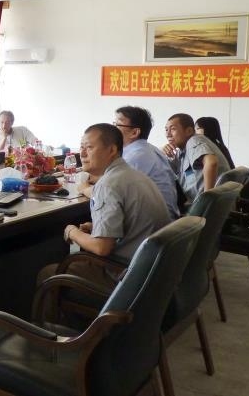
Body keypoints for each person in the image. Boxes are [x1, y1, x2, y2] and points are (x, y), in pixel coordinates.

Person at [39, 123, 171, 293]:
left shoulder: (107, 185)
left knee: (48, 274)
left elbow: (101, 248)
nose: (82, 153)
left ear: (112, 150)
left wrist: (72, 232)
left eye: (89, 147)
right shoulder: (134, 175)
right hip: (153, 273)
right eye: (81, 147)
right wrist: (97, 227)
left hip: (127, 279)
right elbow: (132, 222)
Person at [112, 106, 180, 219]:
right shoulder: (149, 149)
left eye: (117, 125)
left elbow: (110, 193)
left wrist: (85, 189)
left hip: (154, 224)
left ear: (134, 132)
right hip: (165, 220)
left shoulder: (135, 157)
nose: (112, 129)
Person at [162, 113, 231, 203]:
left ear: (189, 131)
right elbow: (166, 171)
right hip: (197, 203)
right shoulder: (182, 151)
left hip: (203, 206)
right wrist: (162, 152)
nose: (168, 134)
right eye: (166, 130)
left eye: (173, 129)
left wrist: (207, 200)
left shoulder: (193, 141)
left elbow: (211, 162)